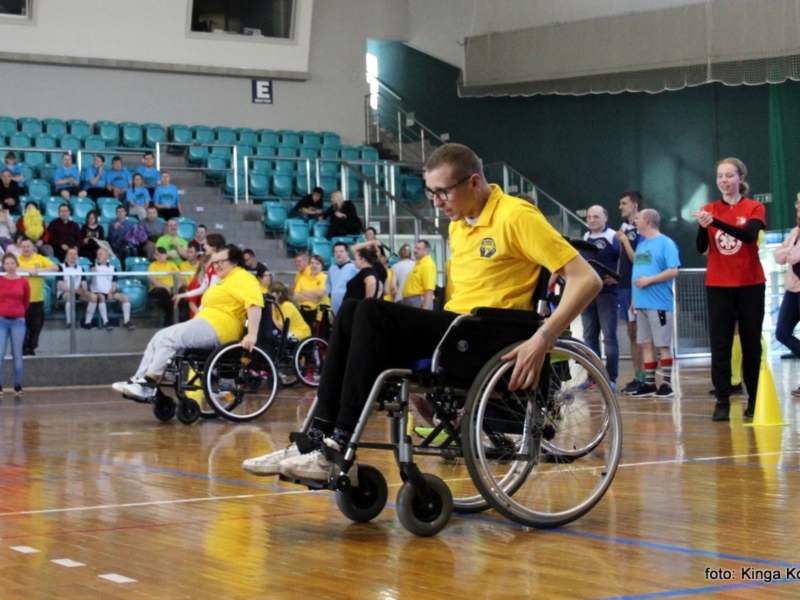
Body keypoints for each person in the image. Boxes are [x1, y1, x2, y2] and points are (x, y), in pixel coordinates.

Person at [243, 142, 601, 480]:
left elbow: (588, 280)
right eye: (432, 193)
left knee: (369, 311)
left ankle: (337, 446)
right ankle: (317, 438)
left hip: (491, 335)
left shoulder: (516, 216)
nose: (436, 203)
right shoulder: (459, 225)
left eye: (443, 193)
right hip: (457, 330)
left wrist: (543, 338)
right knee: (352, 311)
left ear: (475, 182)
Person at [113, 245, 264, 401]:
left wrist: (252, 334)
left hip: (221, 327)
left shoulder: (243, 277)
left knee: (169, 338)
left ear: (234, 261)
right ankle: (139, 380)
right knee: (159, 336)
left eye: (221, 262)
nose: (216, 265)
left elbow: (254, 304)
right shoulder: (223, 281)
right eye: (215, 262)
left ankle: (149, 383)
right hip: (206, 322)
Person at [694, 158, 765, 421]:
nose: (724, 180)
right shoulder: (709, 209)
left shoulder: (754, 207)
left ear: (740, 178)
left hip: (751, 285)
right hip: (718, 285)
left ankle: (755, 399)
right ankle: (722, 401)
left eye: (729, 176)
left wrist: (714, 222)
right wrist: (704, 226)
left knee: (750, 344)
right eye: (720, 176)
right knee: (720, 344)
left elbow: (748, 236)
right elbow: (702, 246)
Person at [627, 209, 680, 398]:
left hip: (659, 304)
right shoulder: (642, 246)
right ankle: (650, 384)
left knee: (663, 345)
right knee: (645, 344)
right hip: (641, 303)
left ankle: (666, 384)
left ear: (647, 222)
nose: (635, 222)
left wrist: (650, 280)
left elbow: (673, 271)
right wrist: (634, 299)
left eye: (638, 219)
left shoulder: (666, 243)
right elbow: (637, 273)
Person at [578, 205, 620, 389]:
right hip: (588, 295)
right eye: (589, 217)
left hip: (606, 295)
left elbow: (625, 260)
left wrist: (618, 277)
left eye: (596, 217)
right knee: (589, 337)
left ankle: (610, 378)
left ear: (605, 217)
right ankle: (593, 377)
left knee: (609, 337)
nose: (592, 220)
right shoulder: (586, 238)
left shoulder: (613, 237)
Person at [615, 191, 646, 395]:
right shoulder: (623, 229)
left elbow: (638, 259)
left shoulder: (642, 227)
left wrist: (625, 241)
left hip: (638, 287)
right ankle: (638, 376)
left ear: (634, 206)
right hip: (624, 286)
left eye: (624, 203)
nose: (620, 206)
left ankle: (644, 378)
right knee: (631, 332)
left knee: (640, 334)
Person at [774, 199, 800, 397]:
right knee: (782, 332)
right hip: (792, 290)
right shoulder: (795, 232)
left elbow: (791, 257)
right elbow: (779, 256)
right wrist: (790, 249)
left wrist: (789, 252)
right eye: (797, 206)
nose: (798, 209)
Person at [16, 238, 58, 356]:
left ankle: (32, 347)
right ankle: (23, 349)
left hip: (37, 299)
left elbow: (54, 267)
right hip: (21, 301)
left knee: (36, 326)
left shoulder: (39, 258)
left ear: (33, 247)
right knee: (21, 327)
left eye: (28, 246)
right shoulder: (18, 259)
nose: (26, 249)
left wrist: (38, 270)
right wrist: (28, 270)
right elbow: (11, 268)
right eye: (23, 247)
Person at [172, 233, 226, 319]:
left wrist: (202, 312)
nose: (204, 246)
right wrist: (182, 295)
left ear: (214, 247)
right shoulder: (211, 266)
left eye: (206, 244)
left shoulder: (218, 266)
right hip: (208, 306)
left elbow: (212, 291)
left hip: (214, 309)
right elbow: (203, 289)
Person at [0, 253, 30, 395]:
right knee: (0, 354)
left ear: (16, 264)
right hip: (1, 321)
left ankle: (17, 385)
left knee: (17, 354)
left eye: (12, 263)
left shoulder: (23, 281)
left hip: (18, 321)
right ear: (3, 265)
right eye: (7, 263)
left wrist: (19, 312)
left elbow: (26, 300)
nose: (10, 266)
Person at [84, 246, 134, 330]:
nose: (98, 256)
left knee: (125, 298)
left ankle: (126, 321)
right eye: (97, 254)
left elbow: (114, 283)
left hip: (109, 292)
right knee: (101, 297)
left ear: (107, 256)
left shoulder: (113, 268)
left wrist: (111, 292)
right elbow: (92, 270)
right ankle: (105, 322)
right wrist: (92, 270)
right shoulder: (94, 266)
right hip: (97, 292)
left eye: (101, 254)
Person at [148, 247, 182, 327]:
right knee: (163, 292)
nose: (159, 256)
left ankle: (182, 318)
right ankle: (171, 318)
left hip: (173, 287)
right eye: (157, 254)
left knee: (182, 292)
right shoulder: (152, 266)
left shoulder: (172, 265)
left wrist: (176, 287)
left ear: (166, 255)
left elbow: (180, 279)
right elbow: (153, 280)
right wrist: (166, 287)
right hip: (158, 288)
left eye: (162, 254)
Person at [293, 254, 328, 330]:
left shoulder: (324, 277)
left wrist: (304, 292)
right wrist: (313, 299)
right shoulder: (302, 279)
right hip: (303, 311)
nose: (314, 265)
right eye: (312, 263)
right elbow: (295, 296)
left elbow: (320, 293)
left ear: (322, 267)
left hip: (319, 314)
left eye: (317, 263)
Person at [57, 247, 89, 328]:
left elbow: (84, 283)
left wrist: (84, 289)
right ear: (66, 256)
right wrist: (74, 290)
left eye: (75, 254)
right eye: (70, 254)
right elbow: (61, 285)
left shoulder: (81, 268)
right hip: (64, 292)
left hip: (77, 291)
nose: (73, 256)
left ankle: (87, 322)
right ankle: (69, 322)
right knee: (70, 295)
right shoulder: (60, 267)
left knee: (92, 297)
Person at [400, 239, 436, 309]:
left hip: (418, 300)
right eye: (415, 248)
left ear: (426, 251)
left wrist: (425, 310)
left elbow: (429, 290)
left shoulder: (428, 265)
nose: (415, 251)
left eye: (418, 249)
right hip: (411, 300)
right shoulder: (419, 264)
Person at [326, 241, 358, 315]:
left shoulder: (354, 267)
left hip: (349, 306)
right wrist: (330, 294)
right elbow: (328, 284)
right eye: (336, 252)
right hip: (335, 306)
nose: (338, 254)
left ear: (347, 252)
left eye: (341, 251)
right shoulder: (332, 268)